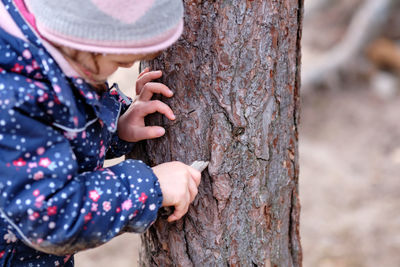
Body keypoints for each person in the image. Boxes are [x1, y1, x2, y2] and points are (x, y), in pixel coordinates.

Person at [0, 0, 201, 266]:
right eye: (119, 60)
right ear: (82, 37)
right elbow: (49, 216)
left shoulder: (43, 55)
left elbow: (52, 144)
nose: (129, 68)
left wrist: (116, 129)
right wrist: (148, 187)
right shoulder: (13, 95)